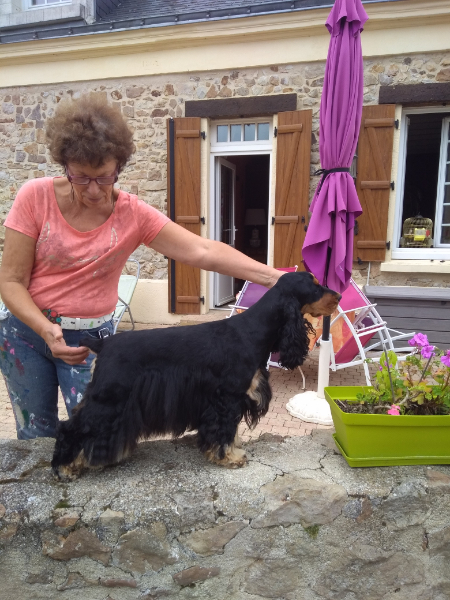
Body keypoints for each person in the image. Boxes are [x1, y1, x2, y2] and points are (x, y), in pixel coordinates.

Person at [0, 93, 283, 440]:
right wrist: (45, 328)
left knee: (98, 434)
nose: (93, 190)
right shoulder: (34, 197)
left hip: (91, 342)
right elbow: (11, 281)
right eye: (81, 177)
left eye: (104, 177)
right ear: (65, 166)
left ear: (118, 167)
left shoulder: (132, 214)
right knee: (34, 434)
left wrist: (274, 277)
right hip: (26, 335)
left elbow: (201, 250)